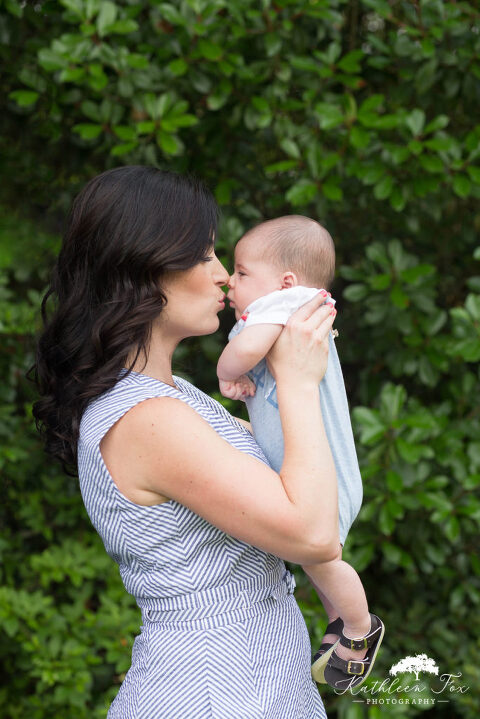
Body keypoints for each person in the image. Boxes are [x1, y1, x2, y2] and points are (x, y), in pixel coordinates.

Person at [31, 166, 340, 718]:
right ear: (144, 269)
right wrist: (296, 381)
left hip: (253, 683)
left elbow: (301, 473)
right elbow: (314, 534)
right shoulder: (148, 418)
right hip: (209, 694)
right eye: (203, 255)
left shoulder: (178, 397)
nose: (224, 276)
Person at [217, 216, 385, 689]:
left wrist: (225, 369)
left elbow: (237, 357)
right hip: (315, 473)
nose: (231, 280)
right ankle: (338, 621)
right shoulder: (285, 313)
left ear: (285, 282)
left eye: (243, 271)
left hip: (319, 477)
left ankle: (359, 627)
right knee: (310, 556)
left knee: (320, 557)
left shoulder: (284, 306)